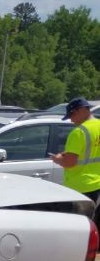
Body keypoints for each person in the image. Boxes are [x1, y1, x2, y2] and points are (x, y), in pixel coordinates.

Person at [52, 96, 100, 224]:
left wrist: (58, 159)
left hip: (79, 186)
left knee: (78, 225)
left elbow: (70, 163)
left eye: (72, 115)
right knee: (90, 222)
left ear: (82, 110)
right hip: (96, 184)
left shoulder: (79, 132)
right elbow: (89, 151)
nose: (71, 120)